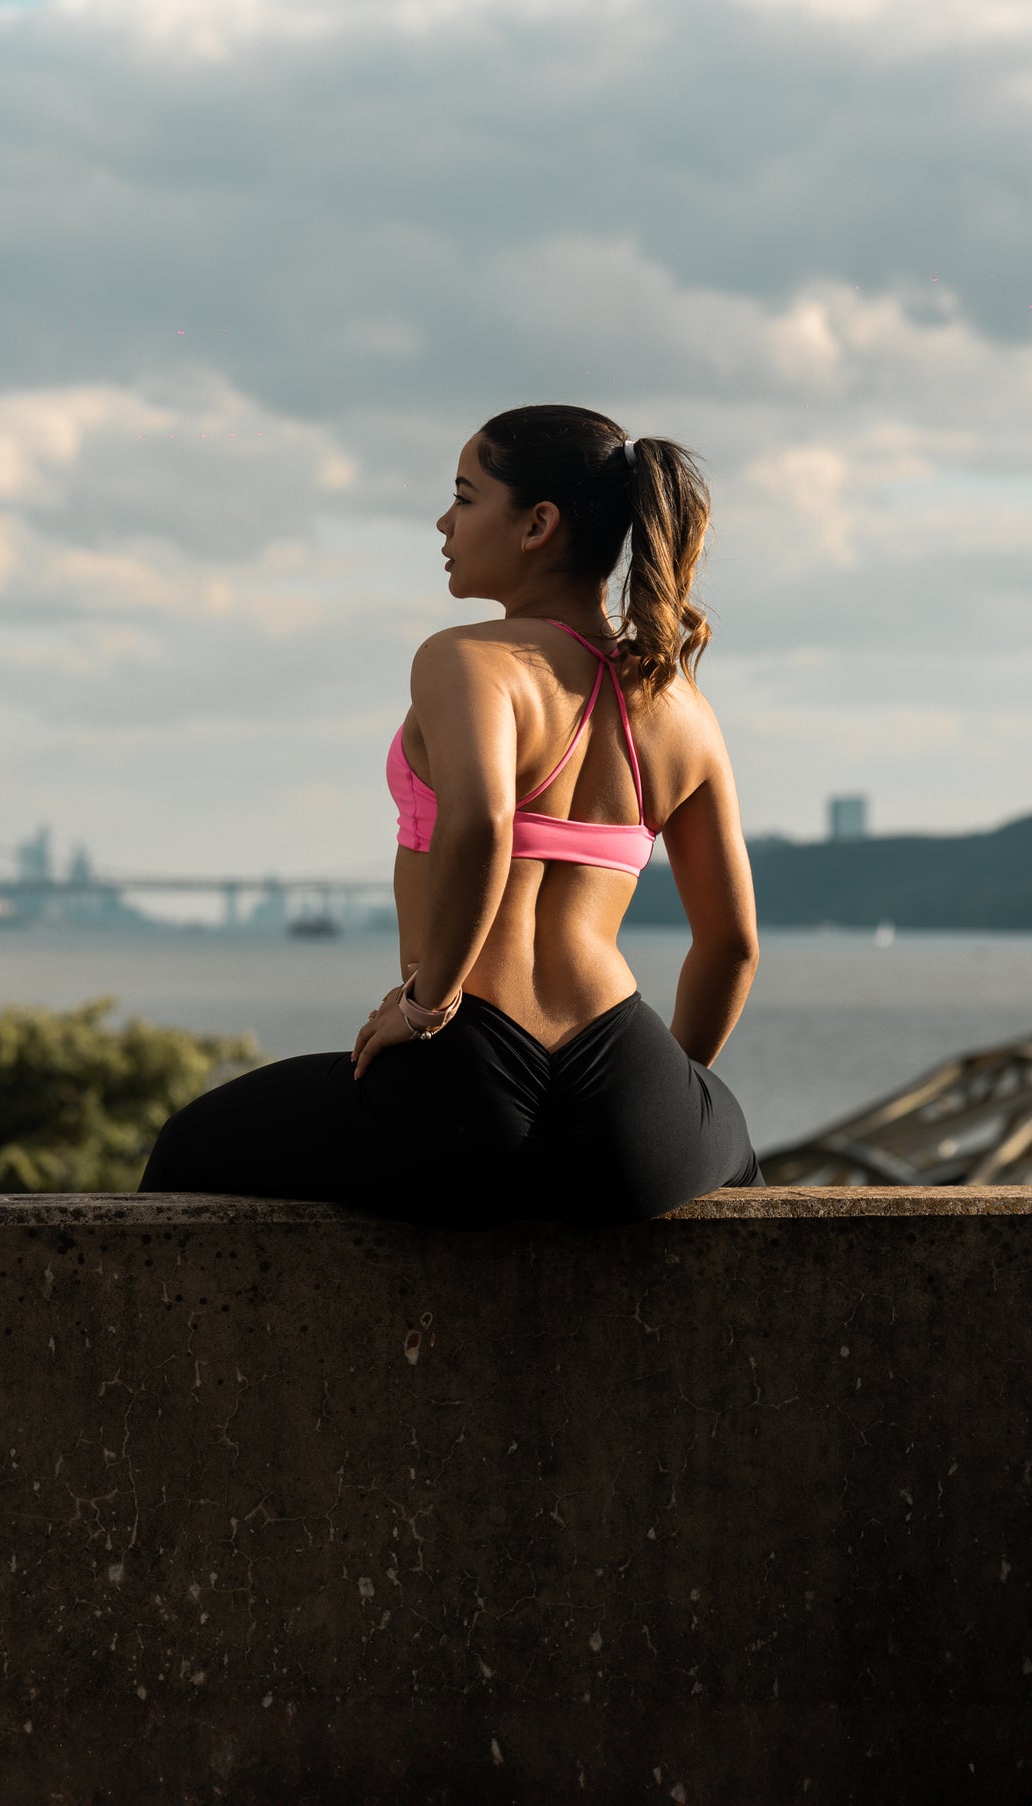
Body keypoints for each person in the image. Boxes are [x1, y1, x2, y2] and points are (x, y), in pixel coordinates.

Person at [140, 404, 764, 1228]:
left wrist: (424, 1004)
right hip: (626, 1087)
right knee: (738, 1159)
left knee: (188, 1147)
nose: (444, 521)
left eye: (465, 498)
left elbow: (482, 826)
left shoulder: (468, 659)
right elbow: (731, 945)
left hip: (462, 1074)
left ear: (537, 524)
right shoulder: (679, 706)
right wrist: (660, 1092)